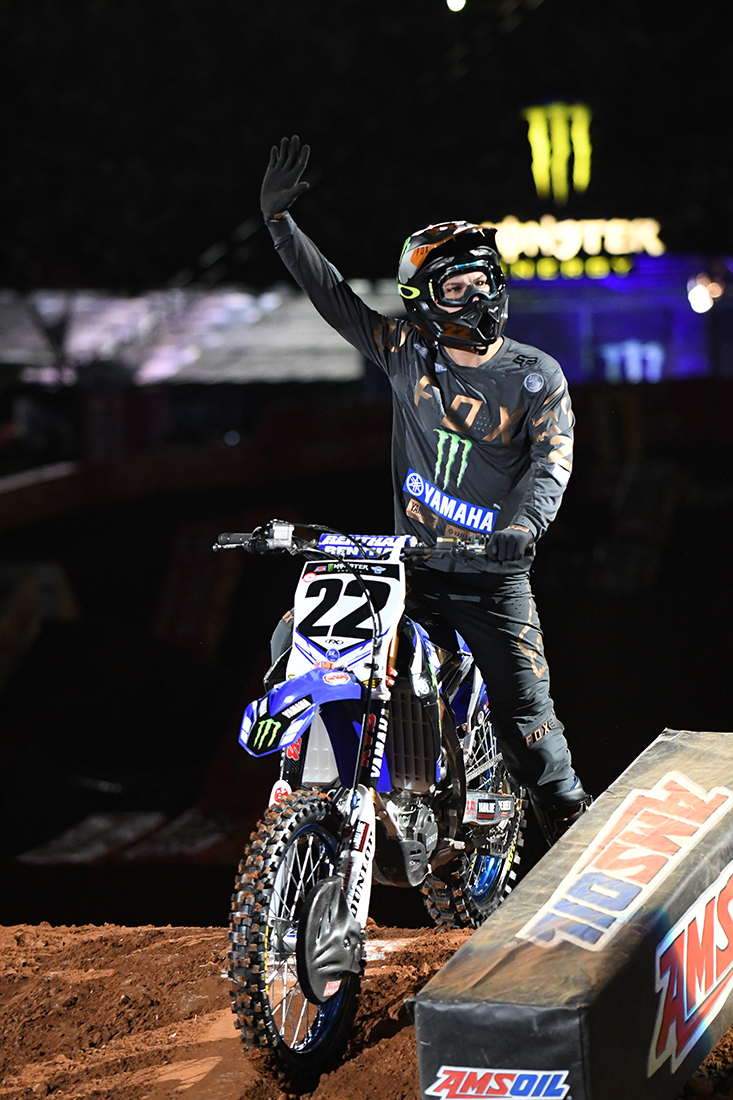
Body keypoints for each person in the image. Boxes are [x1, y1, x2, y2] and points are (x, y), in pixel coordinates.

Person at [260, 136, 592, 846]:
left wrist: (524, 527)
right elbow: (332, 295)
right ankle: (313, 788)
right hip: (409, 572)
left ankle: (571, 828)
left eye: (483, 279)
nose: (477, 294)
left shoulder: (537, 376)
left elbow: (551, 464)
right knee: (302, 637)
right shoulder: (402, 351)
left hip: (493, 579)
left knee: (528, 730)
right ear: (423, 302)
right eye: (457, 286)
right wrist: (280, 225)